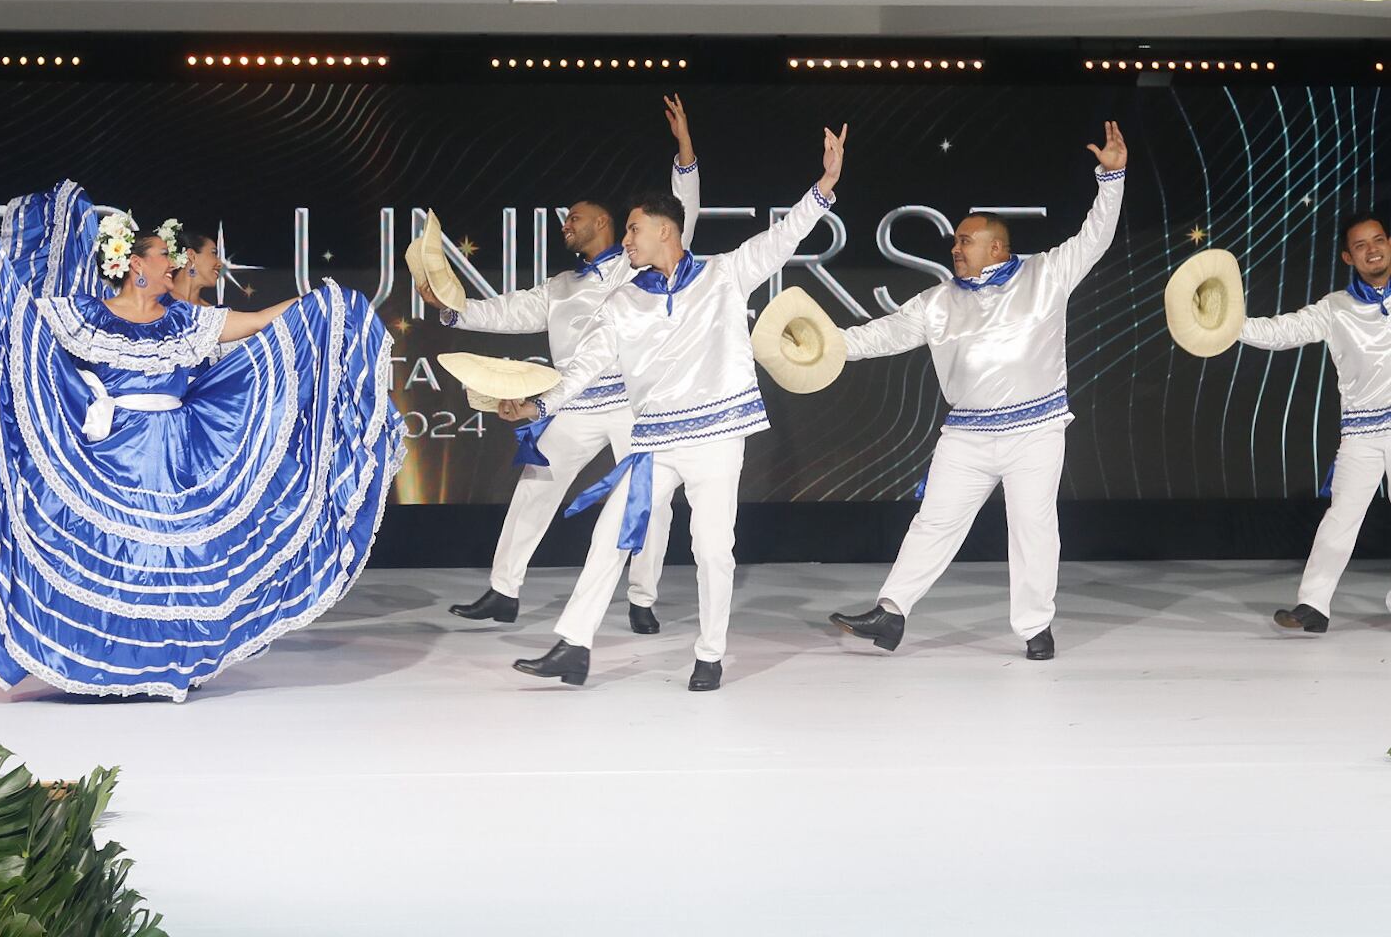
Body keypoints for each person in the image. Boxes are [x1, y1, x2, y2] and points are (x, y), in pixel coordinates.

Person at [0, 207, 405, 699]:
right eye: (162, 257)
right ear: (134, 265)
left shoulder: (183, 320)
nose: (173, 265)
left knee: (171, 559)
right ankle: (105, 663)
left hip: (174, 455)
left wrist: (317, 304)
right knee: (117, 559)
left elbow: (258, 320)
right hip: (110, 455)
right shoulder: (86, 315)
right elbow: (13, 321)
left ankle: (171, 660)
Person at [500, 123, 847, 690]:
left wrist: (826, 183)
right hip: (654, 444)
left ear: (665, 231)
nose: (626, 240)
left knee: (713, 550)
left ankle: (710, 654)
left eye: (633, 229)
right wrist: (539, 406)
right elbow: (583, 369)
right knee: (611, 535)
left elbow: (783, 237)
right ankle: (574, 646)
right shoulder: (622, 300)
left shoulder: (723, 276)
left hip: (715, 440)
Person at [827, 123, 1129, 660]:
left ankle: (1036, 628)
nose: (955, 247)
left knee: (1033, 528)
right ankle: (891, 613)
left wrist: (1112, 177)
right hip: (966, 434)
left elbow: (1097, 235)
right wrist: (819, 346)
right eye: (956, 241)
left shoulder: (1046, 273)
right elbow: (880, 335)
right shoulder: (937, 300)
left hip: (1035, 430)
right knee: (934, 521)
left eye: (964, 240)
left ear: (996, 246)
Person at [432, 94, 702, 629]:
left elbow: (680, 216)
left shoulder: (640, 268)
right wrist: (448, 310)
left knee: (650, 500)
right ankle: (503, 591)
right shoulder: (560, 286)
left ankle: (642, 598)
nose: (566, 226)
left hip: (635, 404)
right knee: (535, 481)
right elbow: (504, 311)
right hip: (576, 402)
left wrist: (685, 150)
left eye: (574, 218)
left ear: (603, 221)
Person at [1236, 211, 1391, 634]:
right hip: (1361, 430)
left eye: (1378, 240)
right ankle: (1313, 605)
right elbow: (1283, 331)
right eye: (1361, 245)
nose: (1372, 250)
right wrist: (1229, 326)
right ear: (1348, 257)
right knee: (1340, 517)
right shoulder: (1335, 308)